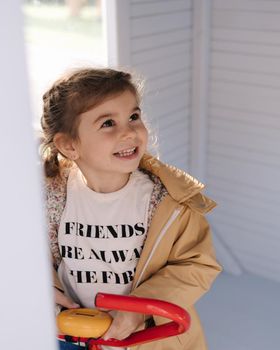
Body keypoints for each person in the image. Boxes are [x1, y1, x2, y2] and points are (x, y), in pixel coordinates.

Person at [41, 67, 221, 350]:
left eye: (133, 117)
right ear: (69, 145)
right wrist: (46, 287)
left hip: (147, 340)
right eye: (108, 123)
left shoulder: (169, 202)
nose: (129, 131)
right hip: (72, 335)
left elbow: (197, 264)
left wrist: (140, 307)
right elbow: (30, 253)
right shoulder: (51, 196)